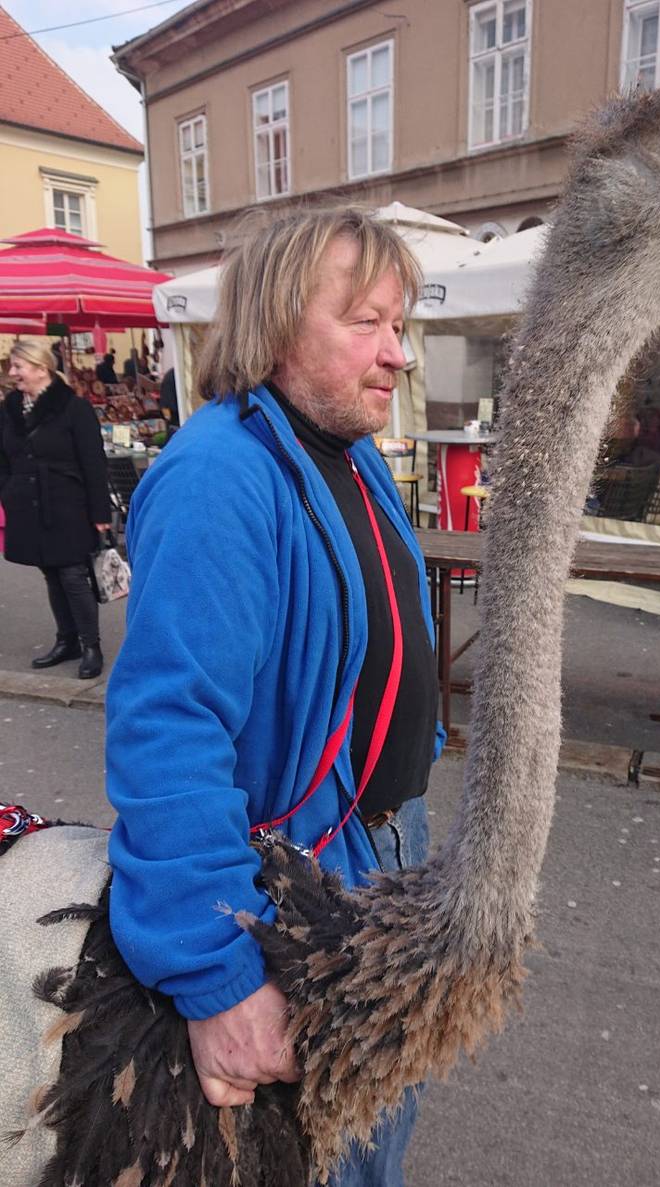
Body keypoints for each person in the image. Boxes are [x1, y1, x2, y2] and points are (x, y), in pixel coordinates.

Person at [104, 207, 444, 1186]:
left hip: (383, 849)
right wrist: (215, 967)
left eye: (399, 324)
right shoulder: (217, 474)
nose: (399, 355)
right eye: (366, 323)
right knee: (316, 1154)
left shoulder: (346, 452)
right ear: (276, 322)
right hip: (297, 883)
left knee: (373, 1123)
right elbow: (169, 727)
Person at [0, 340, 110, 679]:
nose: (12, 373)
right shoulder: (10, 409)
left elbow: (94, 463)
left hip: (67, 504)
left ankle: (91, 644)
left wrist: (101, 514)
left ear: (41, 368)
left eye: (19, 366)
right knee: (50, 572)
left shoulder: (74, 408)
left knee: (73, 575)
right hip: (27, 505)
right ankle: (67, 640)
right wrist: (8, 490)